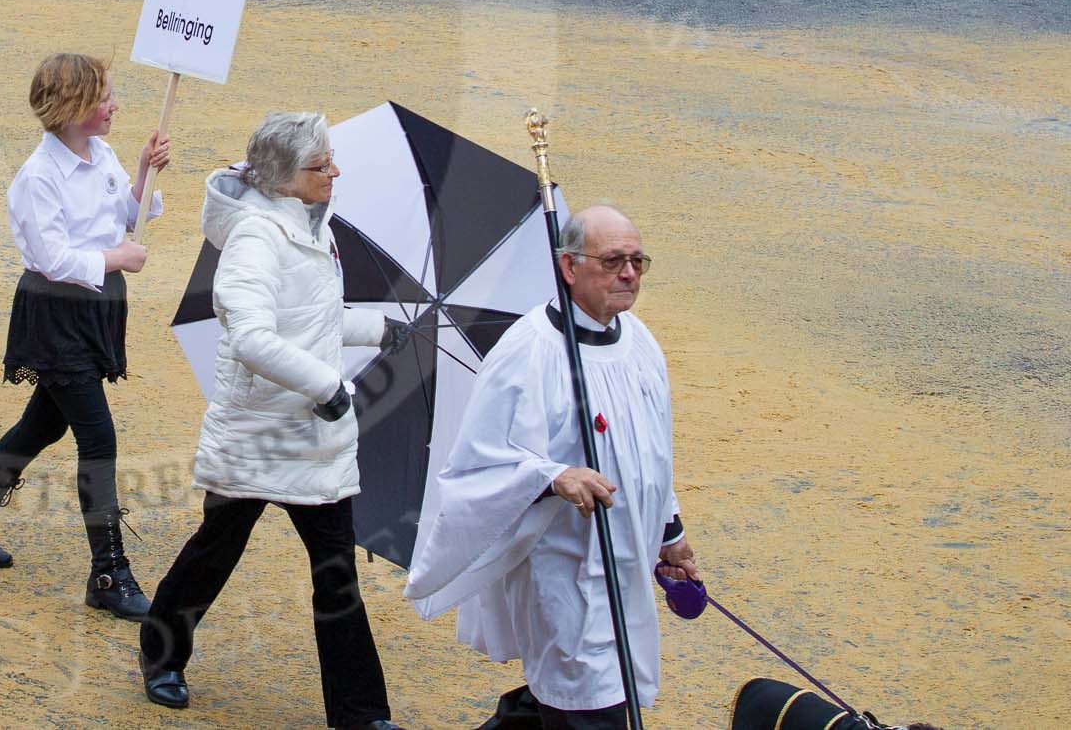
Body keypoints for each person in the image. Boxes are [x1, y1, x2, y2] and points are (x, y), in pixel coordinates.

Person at [137, 113, 408, 729]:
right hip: (260, 432)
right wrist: (328, 388)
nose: (335, 172)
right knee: (215, 550)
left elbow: (311, 320)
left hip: (312, 437)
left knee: (335, 575)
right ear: (284, 179)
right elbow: (253, 337)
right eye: (321, 166)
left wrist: (378, 328)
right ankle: (162, 654)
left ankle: (361, 715)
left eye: (331, 161)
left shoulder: (312, 228)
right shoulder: (257, 240)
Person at [404, 204, 700, 730]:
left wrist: (669, 534)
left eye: (637, 261)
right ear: (568, 266)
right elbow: (477, 463)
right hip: (564, 569)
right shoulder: (529, 352)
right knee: (587, 701)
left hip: (625, 559)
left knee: (578, 697)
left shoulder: (640, 344)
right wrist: (551, 476)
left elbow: (653, 455)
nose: (628, 274)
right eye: (612, 261)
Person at [0, 54, 167, 620]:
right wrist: (116, 258)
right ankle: (108, 572)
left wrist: (141, 175)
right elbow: (52, 257)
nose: (115, 105)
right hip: (57, 312)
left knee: (46, 420)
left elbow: (129, 212)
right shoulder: (37, 178)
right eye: (106, 97)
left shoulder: (105, 154)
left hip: (98, 307)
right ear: (73, 108)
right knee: (98, 436)